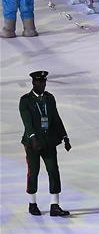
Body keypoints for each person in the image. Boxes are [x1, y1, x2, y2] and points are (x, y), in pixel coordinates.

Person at [20, 70, 71, 217]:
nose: (42, 84)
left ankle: (55, 205)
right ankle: (32, 203)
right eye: (39, 82)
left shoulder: (49, 98)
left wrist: (65, 136)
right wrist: (33, 139)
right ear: (33, 83)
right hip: (32, 144)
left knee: (54, 171)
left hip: (48, 142)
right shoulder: (25, 100)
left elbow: (56, 118)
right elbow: (27, 122)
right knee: (33, 172)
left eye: (44, 81)